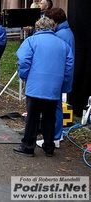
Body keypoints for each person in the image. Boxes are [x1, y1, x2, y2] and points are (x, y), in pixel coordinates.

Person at [13, 17, 74, 157]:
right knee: (49, 117)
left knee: (32, 117)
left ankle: (28, 146)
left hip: (35, 85)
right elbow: (69, 67)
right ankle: (49, 146)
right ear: (53, 27)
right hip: (54, 87)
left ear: (37, 27)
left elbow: (23, 60)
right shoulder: (63, 44)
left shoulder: (31, 41)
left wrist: (24, 76)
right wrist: (63, 84)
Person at [36, 8, 75, 149]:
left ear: (56, 22)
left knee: (55, 107)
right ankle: (55, 135)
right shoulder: (65, 32)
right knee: (55, 106)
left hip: (56, 76)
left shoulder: (61, 35)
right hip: (60, 76)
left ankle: (54, 137)